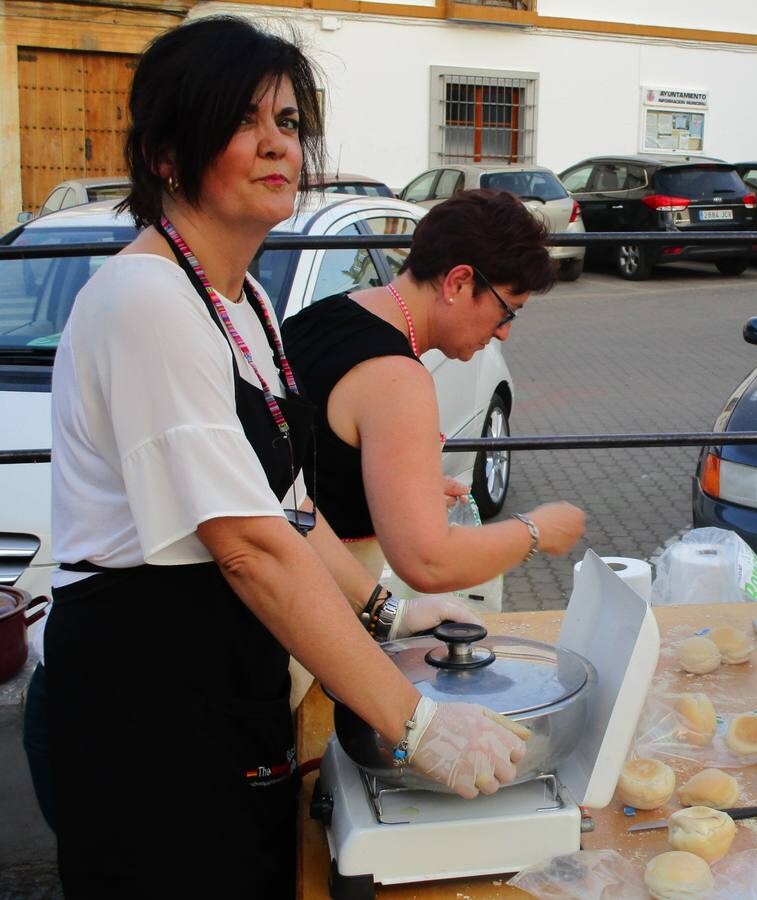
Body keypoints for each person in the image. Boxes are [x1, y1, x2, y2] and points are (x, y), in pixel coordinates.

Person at [41, 17, 525, 897]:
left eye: (291, 122)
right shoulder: (146, 299)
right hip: (141, 697)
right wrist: (415, 723)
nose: (278, 145)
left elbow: (290, 512)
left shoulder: (247, 302)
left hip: (224, 679)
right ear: (165, 154)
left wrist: (386, 613)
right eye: (243, 121)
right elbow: (247, 547)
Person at [280, 190, 586, 610]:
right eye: (507, 310)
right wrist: (535, 531)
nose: (503, 332)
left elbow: (311, 465)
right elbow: (428, 562)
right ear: (459, 282)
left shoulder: (324, 315)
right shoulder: (397, 377)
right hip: (309, 617)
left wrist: (398, 487)